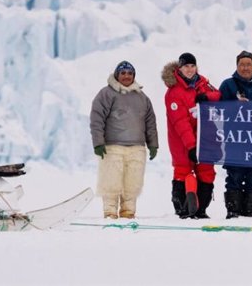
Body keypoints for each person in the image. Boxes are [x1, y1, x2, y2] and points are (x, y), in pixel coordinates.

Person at [90, 61, 158, 219]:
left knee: (132, 183)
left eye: (130, 73)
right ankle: (110, 212)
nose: (126, 76)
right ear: (117, 75)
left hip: (137, 147)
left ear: (134, 75)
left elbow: (150, 123)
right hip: (112, 147)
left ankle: (128, 212)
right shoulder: (106, 93)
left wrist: (153, 144)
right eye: (123, 73)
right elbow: (97, 119)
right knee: (111, 181)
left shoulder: (142, 97)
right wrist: (98, 142)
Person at [162, 52, 221, 219]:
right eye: (186, 66)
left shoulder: (202, 83)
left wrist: (206, 97)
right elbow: (180, 122)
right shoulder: (174, 92)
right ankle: (182, 208)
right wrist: (191, 146)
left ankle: (201, 209)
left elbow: (217, 94)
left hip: (204, 139)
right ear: (179, 69)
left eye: (192, 66)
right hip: (182, 142)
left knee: (206, 171)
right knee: (183, 171)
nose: (189, 69)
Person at [218, 50, 252, 218]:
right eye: (242, 64)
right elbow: (218, 111)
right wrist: (234, 105)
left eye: (248, 64)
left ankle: (251, 211)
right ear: (237, 66)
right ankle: (233, 211)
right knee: (234, 176)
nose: (245, 67)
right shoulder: (228, 85)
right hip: (236, 141)